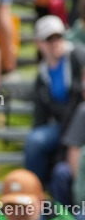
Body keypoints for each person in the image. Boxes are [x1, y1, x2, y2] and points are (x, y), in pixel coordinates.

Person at [26, 16, 85, 185]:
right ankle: (34, 189)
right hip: (62, 125)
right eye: (49, 39)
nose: (55, 43)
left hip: (81, 120)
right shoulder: (42, 74)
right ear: (39, 43)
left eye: (58, 37)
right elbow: (40, 115)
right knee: (35, 140)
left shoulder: (78, 56)